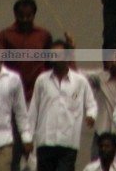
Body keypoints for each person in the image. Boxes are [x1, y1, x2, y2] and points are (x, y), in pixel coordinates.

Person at [27, 39, 98, 171]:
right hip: (45, 141)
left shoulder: (80, 81)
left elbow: (91, 104)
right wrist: (28, 137)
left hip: (68, 142)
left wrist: (91, 115)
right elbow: (33, 111)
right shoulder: (42, 80)